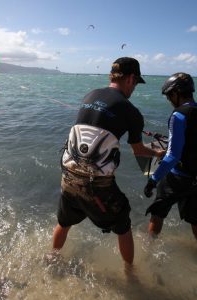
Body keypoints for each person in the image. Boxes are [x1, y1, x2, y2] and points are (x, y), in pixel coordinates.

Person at [52, 57, 165, 266]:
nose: (135, 89)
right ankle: (130, 275)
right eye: (136, 83)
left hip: (68, 176)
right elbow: (139, 151)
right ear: (131, 79)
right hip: (97, 186)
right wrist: (158, 153)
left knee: (64, 222)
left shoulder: (90, 95)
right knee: (123, 224)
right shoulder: (131, 111)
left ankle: (52, 257)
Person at [144, 72, 197, 248]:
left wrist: (153, 180)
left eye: (169, 95)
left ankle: (150, 249)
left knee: (157, 213)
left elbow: (172, 156)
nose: (169, 100)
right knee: (196, 220)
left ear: (176, 93)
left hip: (178, 178)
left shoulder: (178, 115)